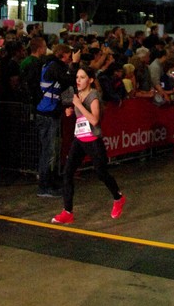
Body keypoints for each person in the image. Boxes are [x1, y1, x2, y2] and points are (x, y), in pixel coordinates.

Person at [52, 67, 126, 225]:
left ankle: (118, 198)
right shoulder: (77, 94)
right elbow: (79, 113)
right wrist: (71, 111)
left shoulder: (94, 96)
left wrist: (79, 105)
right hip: (79, 139)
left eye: (82, 77)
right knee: (67, 173)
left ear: (90, 80)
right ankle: (67, 212)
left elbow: (94, 120)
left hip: (93, 140)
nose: (78, 80)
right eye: (77, 77)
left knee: (101, 173)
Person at [36, 44, 76, 198]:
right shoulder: (54, 67)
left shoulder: (51, 65)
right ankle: (44, 187)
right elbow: (69, 80)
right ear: (63, 55)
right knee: (48, 151)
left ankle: (49, 182)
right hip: (47, 113)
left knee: (51, 151)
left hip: (50, 112)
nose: (70, 58)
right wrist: (75, 65)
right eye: (69, 56)